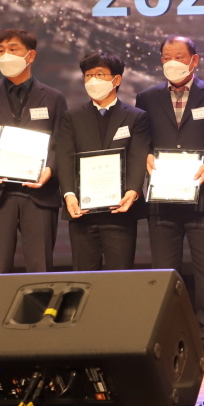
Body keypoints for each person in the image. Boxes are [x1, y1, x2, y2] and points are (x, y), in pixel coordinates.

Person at [134, 35, 204, 358]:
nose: (172, 62)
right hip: (162, 199)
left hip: (203, 196)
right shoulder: (147, 97)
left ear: (194, 60)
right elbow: (141, 138)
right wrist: (144, 155)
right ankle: (169, 338)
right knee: (164, 274)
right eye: (166, 57)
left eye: (178, 56)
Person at [0, 28, 68, 273]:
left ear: (31, 56)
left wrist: (50, 169)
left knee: (41, 269)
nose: (5, 55)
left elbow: (62, 145)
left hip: (40, 194)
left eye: (13, 49)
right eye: (1, 51)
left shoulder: (53, 97)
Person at [55, 51, 149, 271]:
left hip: (120, 211)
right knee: (84, 277)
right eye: (88, 75)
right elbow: (65, 157)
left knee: (120, 277)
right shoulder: (72, 117)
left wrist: (133, 191)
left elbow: (138, 156)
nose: (93, 80)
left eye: (100, 74)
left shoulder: (136, 117)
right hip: (82, 211)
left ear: (116, 79)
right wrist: (68, 194)